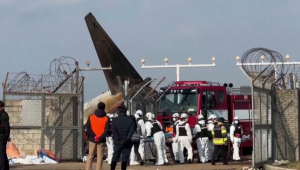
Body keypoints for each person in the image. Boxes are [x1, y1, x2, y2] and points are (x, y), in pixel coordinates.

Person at [85, 102, 110, 170]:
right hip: (101, 140)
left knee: (90, 156)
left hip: (92, 139)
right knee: (100, 157)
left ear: (97, 107)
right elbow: (107, 130)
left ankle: (88, 168)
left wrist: (94, 135)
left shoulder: (91, 117)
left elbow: (88, 127)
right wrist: (100, 136)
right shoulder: (106, 118)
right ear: (104, 108)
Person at [111, 104, 136, 170]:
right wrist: (126, 140)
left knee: (115, 157)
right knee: (125, 158)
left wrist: (118, 139)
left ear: (118, 111)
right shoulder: (131, 120)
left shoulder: (114, 120)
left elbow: (114, 131)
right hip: (127, 142)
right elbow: (131, 132)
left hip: (117, 142)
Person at [0, 101, 10, 170]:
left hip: (2, 136)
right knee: (2, 153)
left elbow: (7, 127)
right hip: (2, 136)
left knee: (1, 154)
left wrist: (6, 136)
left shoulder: (3, 115)